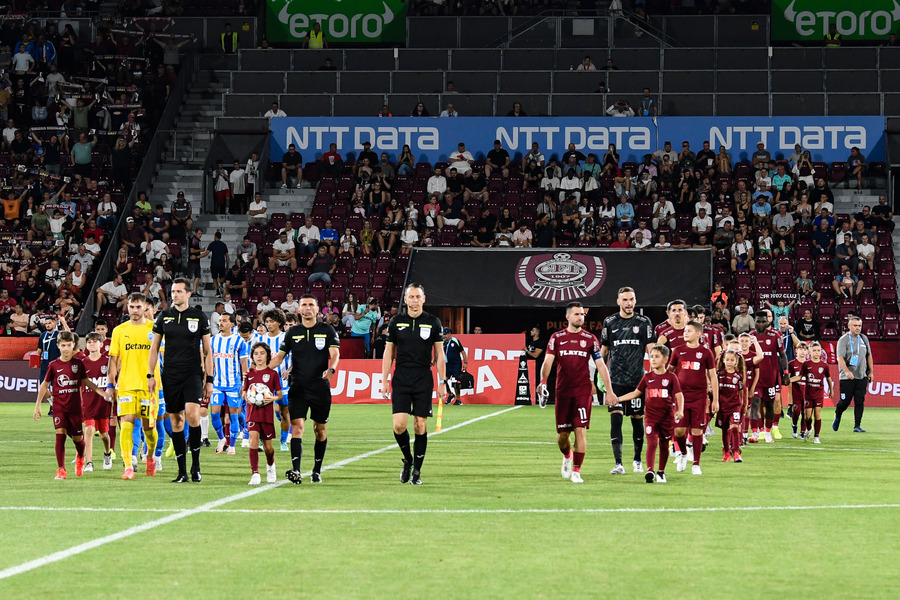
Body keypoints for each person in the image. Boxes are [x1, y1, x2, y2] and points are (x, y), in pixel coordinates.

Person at [539, 301, 616, 484]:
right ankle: (567, 456)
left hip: (582, 392)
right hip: (563, 392)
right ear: (567, 316)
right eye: (576, 314)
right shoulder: (556, 338)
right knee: (563, 436)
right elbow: (548, 361)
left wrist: (610, 391)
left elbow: (601, 366)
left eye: (582, 314)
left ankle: (577, 470)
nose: (580, 317)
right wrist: (543, 381)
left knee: (580, 431)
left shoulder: (590, 339)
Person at [148, 278, 213, 483]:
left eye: (178, 291)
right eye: (173, 291)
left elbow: (208, 351)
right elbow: (154, 349)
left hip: (193, 373)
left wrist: (209, 379)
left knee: (193, 416)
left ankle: (196, 465)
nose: (174, 295)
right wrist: (151, 375)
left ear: (188, 294)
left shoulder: (199, 316)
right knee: (176, 420)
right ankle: (182, 471)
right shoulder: (164, 317)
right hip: (170, 376)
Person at [271, 295, 340, 484]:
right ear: (298, 310)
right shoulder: (292, 333)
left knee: (320, 430)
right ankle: (296, 470)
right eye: (304, 305)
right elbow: (279, 357)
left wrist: (332, 369)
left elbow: (335, 354)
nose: (308, 308)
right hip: (298, 387)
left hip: (320, 388)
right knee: (297, 427)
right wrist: (261, 370)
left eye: (311, 305)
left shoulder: (327, 330)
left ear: (318, 309)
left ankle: (317, 470)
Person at [381, 284, 446, 485]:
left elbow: (440, 354)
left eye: (418, 296)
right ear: (406, 299)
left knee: (420, 425)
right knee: (399, 426)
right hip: (401, 377)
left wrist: (442, 382)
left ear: (424, 299)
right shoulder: (396, 321)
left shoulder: (433, 322)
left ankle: (417, 470)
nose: (415, 300)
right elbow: (388, 352)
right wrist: (384, 379)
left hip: (423, 378)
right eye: (411, 297)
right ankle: (408, 460)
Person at [600, 287, 655, 475]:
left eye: (632, 299)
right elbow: (604, 351)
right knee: (615, 420)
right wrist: (600, 376)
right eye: (625, 300)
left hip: (637, 380)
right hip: (615, 380)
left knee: (637, 419)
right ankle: (618, 463)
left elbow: (651, 349)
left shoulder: (643, 322)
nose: (629, 303)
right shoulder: (609, 322)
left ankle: (637, 460)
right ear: (618, 302)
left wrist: (655, 374)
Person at [33, 331, 102, 479]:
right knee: (60, 435)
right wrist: (38, 405)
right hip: (59, 408)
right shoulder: (53, 365)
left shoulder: (78, 364)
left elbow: (86, 382)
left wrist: (99, 392)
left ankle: (80, 458)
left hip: (75, 408)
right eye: (63, 345)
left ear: (73, 346)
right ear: (58, 346)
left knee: (79, 440)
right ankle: (61, 469)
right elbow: (44, 385)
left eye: (69, 345)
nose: (66, 348)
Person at [107, 293, 161, 480]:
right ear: (127, 307)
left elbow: (165, 356)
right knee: (126, 423)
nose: (135, 310)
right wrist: (110, 384)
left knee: (148, 428)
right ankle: (128, 466)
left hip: (149, 386)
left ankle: (150, 456)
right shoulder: (119, 331)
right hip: (126, 385)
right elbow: (113, 359)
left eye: (138, 307)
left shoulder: (155, 329)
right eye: (131, 307)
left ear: (145, 307)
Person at [617, 345, 683, 483]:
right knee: (652, 442)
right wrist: (618, 399)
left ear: (665, 359)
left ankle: (661, 472)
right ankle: (650, 471)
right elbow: (636, 393)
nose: (653, 359)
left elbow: (679, 395)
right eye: (651, 356)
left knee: (664, 444)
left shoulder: (671, 377)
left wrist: (680, 410)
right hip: (651, 417)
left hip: (666, 417)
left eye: (657, 356)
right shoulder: (647, 377)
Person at [670, 321, 718, 475]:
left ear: (698, 334)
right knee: (678, 431)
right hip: (681, 397)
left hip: (699, 397)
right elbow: (669, 372)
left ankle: (696, 464)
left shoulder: (706, 353)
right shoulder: (677, 351)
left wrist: (715, 399)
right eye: (685, 330)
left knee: (697, 431)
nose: (685, 333)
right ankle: (683, 453)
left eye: (689, 330)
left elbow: (713, 376)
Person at [242, 342, 282, 484]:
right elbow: (244, 391)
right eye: (256, 354)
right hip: (252, 412)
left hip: (266, 414)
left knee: (268, 447)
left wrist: (273, 398)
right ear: (252, 356)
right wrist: (247, 396)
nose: (259, 356)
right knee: (253, 439)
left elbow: (279, 394)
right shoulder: (249, 374)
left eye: (262, 353)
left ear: (268, 355)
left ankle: (271, 466)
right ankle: (255, 473)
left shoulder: (272, 374)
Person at [210, 312, 249, 455]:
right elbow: (209, 362)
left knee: (233, 416)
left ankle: (232, 445)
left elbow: (244, 364)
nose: (221, 323)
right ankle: (221, 438)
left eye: (224, 321)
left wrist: (245, 385)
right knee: (214, 414)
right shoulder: (213, 340)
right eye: (220, 320)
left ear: (232, 324)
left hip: (234, 384)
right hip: (217, 384)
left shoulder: (239, 341)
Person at [254, 309, 292, 451]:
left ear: (280, 322)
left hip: (283, 384)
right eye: (267, 321)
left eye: (272, 321)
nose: (268, 324)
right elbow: (254, 360)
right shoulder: (260, 340)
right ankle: (261, 442)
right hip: (263, 384)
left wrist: (289, 370)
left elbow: (294, 358)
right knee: (261, 414)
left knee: (284, 412)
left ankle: (283, 441)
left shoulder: (287, 338)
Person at [833, 317, 874, 434]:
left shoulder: (864, 339)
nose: (857, 328)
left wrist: (871, 372)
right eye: (855, 325)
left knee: (859, 401)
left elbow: (869, 356)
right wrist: (846, 371)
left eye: (859, 326)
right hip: (847, 377)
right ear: (849, 326)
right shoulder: (843, 340)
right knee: (845, 402)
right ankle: (838, 414)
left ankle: (857, 425)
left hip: (861, 376)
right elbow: (840, 358)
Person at [81, 332, 112, 471]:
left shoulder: (107, 362)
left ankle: (107, 453)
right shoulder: (82, 363)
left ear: (101, 344)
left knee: (104, 435)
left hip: (102, 404)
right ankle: (89, 462)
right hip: (87, 404)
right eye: (89, 342)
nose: (92, 344)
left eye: (95, 341)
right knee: (88, 430)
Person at [715, 349, 746, 463]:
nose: (729, 362)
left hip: (734, 406)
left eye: (732, 360)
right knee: (725, 430)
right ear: (723, 360)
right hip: (722, 407)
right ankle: (727, 452)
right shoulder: (719, 374)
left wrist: (741, 405)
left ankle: (736, 453)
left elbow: (741, 392)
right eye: (727, 359)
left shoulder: (738, 377)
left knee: (734, 427)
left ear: (736, 362)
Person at [802, 342, 832, 444]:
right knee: (807, 416)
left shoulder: (824, 365)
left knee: (818, 414)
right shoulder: (806, 364)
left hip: (819, 394)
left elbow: (828, 378)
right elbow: (800, 376)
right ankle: (809, 428)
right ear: (810, 352)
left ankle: (816, 436)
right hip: (808, 393)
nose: (816, 352)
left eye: (818, 350)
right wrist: (790, 380)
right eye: (814, 350)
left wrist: (831, 391)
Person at [788, 342, 809, 439]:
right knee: (796, 412)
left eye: (805, 349)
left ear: (807, 352)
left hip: (807, 393)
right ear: (796, 351)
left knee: (805, 413)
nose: (802, 352)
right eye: (800, 349)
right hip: (796, 393)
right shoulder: (792, 364)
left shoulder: (810, 364)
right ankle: (794, 425)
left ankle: (802, 432)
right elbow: (788, 381)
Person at [442, 327, 467, 406]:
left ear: (450, 334)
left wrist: (465, 362)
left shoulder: (455, 341)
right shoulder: (442, 342)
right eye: (443, 334)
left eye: (446, 334)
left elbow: (462, 352)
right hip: (447, 365)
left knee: (456, 381)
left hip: (456, 364)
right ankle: (450, 394)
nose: (444, 336)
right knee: (444, 381)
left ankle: (458, 400)